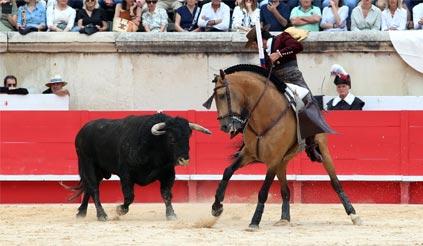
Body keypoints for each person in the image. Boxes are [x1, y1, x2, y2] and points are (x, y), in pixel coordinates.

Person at [245, 27, 334, 162]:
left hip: (293, 77)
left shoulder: (282, 38)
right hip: (276, 81)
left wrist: (279, 54)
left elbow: (298, 46)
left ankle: (311, 145)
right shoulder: (263, 53)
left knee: (309, 102)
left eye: (253, 43)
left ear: (261, 40)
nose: (253, 47)